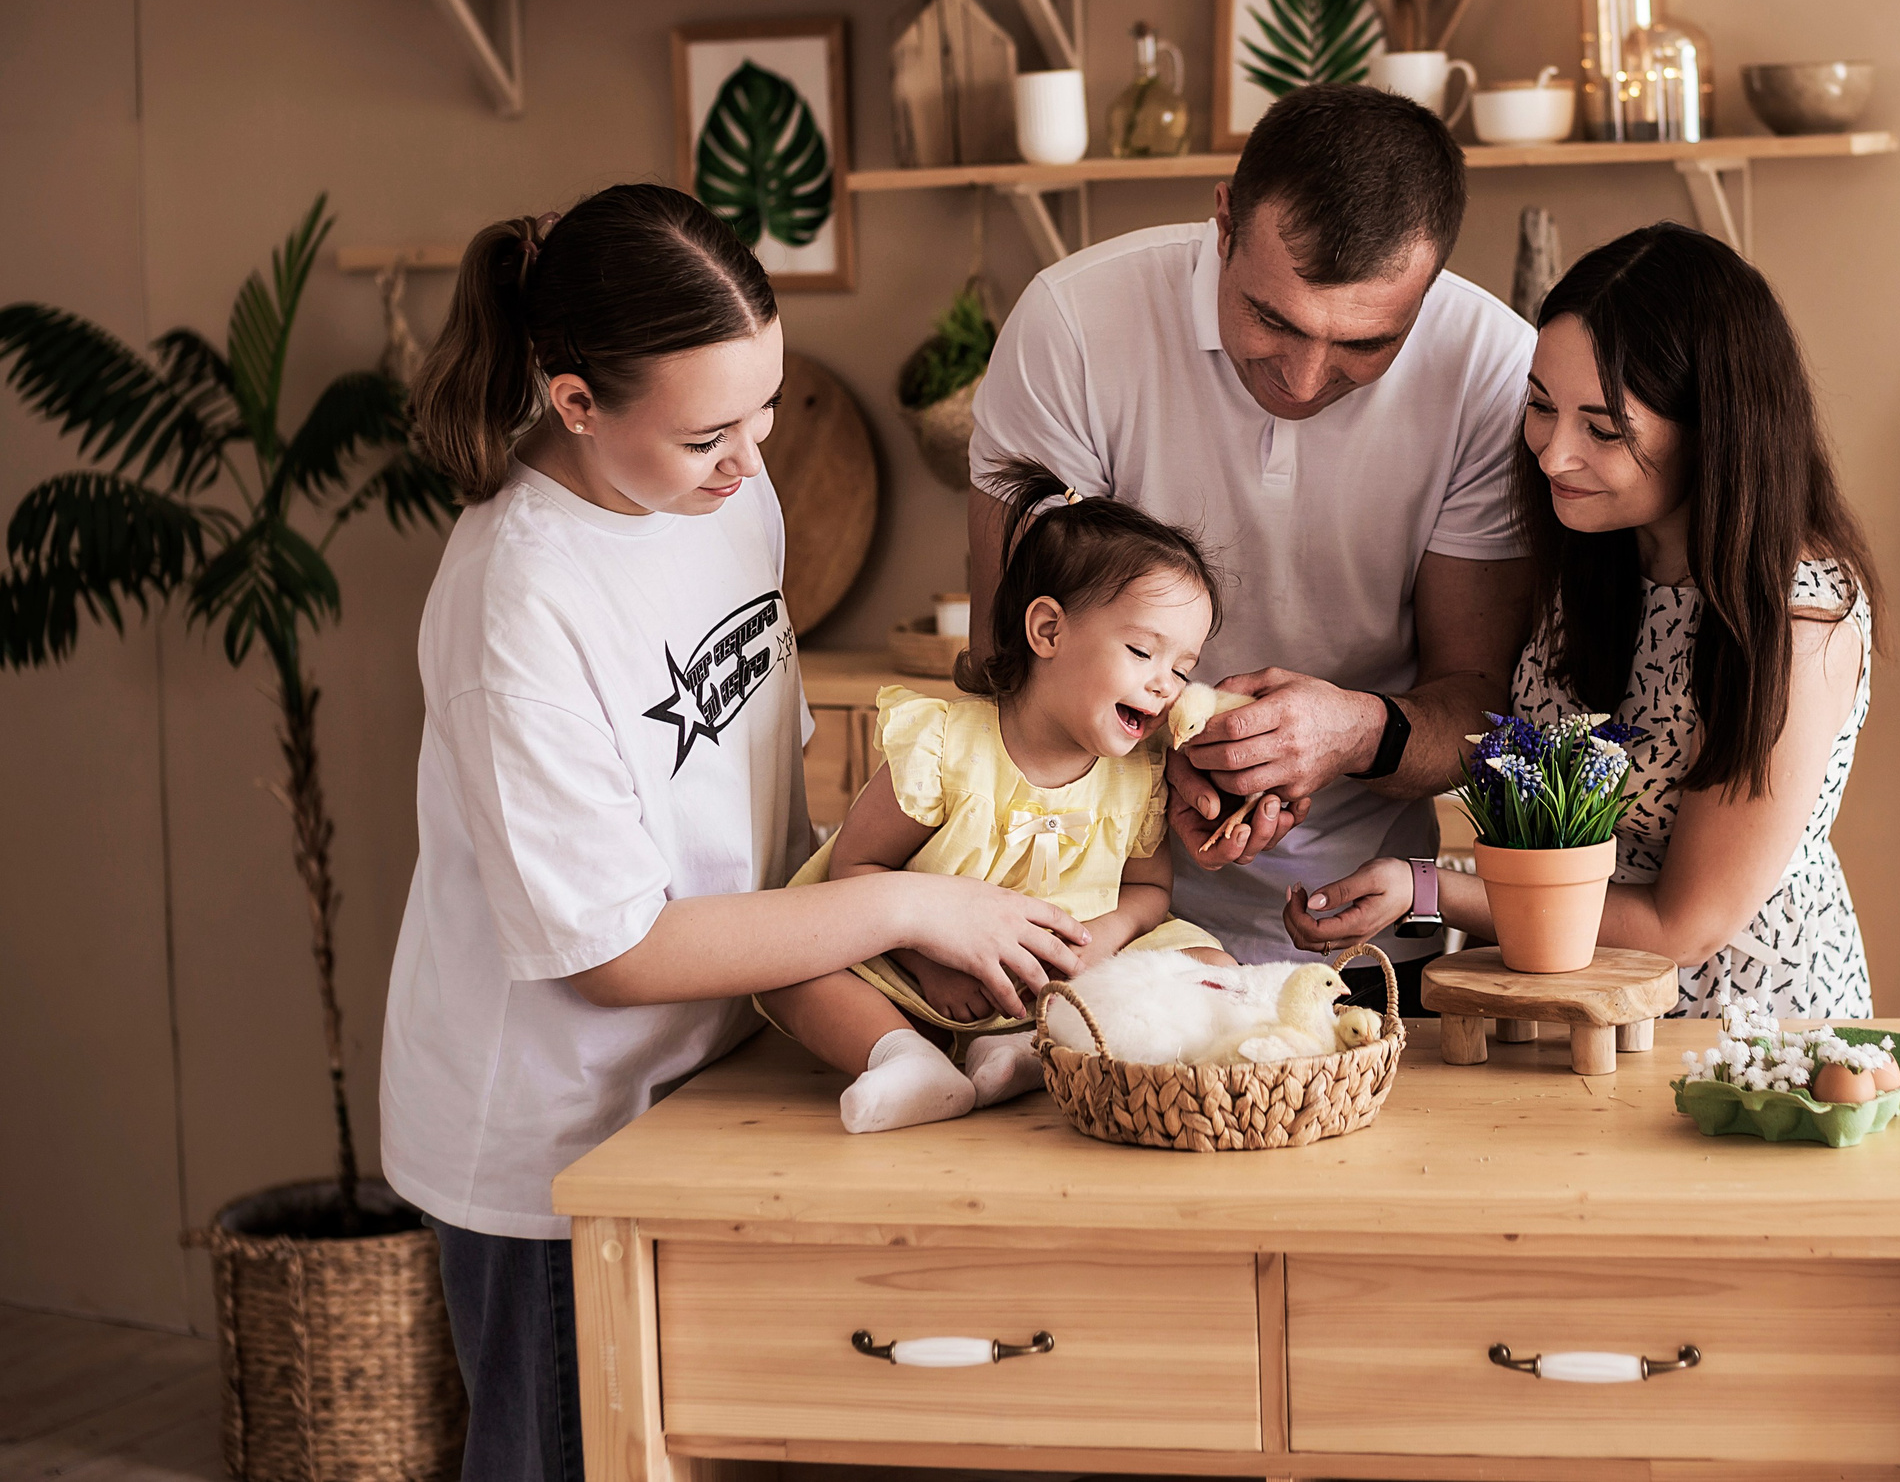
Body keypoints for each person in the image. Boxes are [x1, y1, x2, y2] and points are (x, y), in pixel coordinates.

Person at [380, 185, 1092, 1482]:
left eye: (765, 406)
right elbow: (614, 952)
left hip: (712, 1072)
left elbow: (747, 800)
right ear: (576, 400)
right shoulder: (518, 600)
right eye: (711, 428)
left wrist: (900, 888)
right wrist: (906, 911)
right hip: (557, 1133)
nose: (754, 456)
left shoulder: (728, 497)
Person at [965, 84, 1537, 989]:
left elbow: (1485, 710)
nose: (1306, 379)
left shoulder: (1493, 368)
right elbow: (1008, 654)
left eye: (1366, 344)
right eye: (1272, 319)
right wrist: (1157, 761)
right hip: (1083, 924)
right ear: (1223, 222)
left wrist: (1356, 732)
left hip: (1369, 945)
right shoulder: (1075, 326)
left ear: (1429, 296)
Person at [1286, 222, 1882, 1019]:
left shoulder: (1797, 616)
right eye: (1540, 406)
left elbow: (1683, 925)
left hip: (1739, 1033)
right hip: (1582, 1007)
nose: (1552, 453)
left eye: (1603, 429)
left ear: (1715, 430)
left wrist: (1425, 889)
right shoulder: (1596, 555)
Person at [760, 458, 1236, 1133]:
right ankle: (901, 1057)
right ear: (1048, 631)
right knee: (793, 964)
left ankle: (1029, 1047)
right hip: (931, 980)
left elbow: (1150, 888)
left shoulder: (1140, 770)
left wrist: (1110, 934)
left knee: (1214, 964)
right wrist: (926, 962)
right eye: (1142, 651)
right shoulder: (946, 748)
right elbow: (854, 871)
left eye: (1183, 667)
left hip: (1073, 983)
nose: (1167, 684)